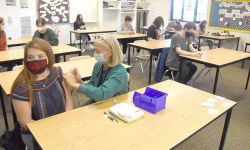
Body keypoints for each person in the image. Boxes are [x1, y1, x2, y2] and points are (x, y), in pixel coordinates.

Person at [11, 38, 73, 150]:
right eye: (30, 58)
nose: (35, 61)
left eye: (40, 57)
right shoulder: (22, 86)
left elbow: (68, 97)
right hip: (37, 135)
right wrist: (53, 132)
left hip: (63, 126)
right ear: (25, 60)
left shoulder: (57, 72)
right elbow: (25, 123)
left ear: (49, 57)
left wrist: (67, 120)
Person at [64, 35, 128, 105]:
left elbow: (101, 94)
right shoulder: (98, 65)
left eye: (98, 51)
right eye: (95, 50)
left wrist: (75, 84)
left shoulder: (120, 73)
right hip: (100, 102)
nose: (95, 54)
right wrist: (80, 81)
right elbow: (92, 87)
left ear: (110, 53)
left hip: (115, 105)